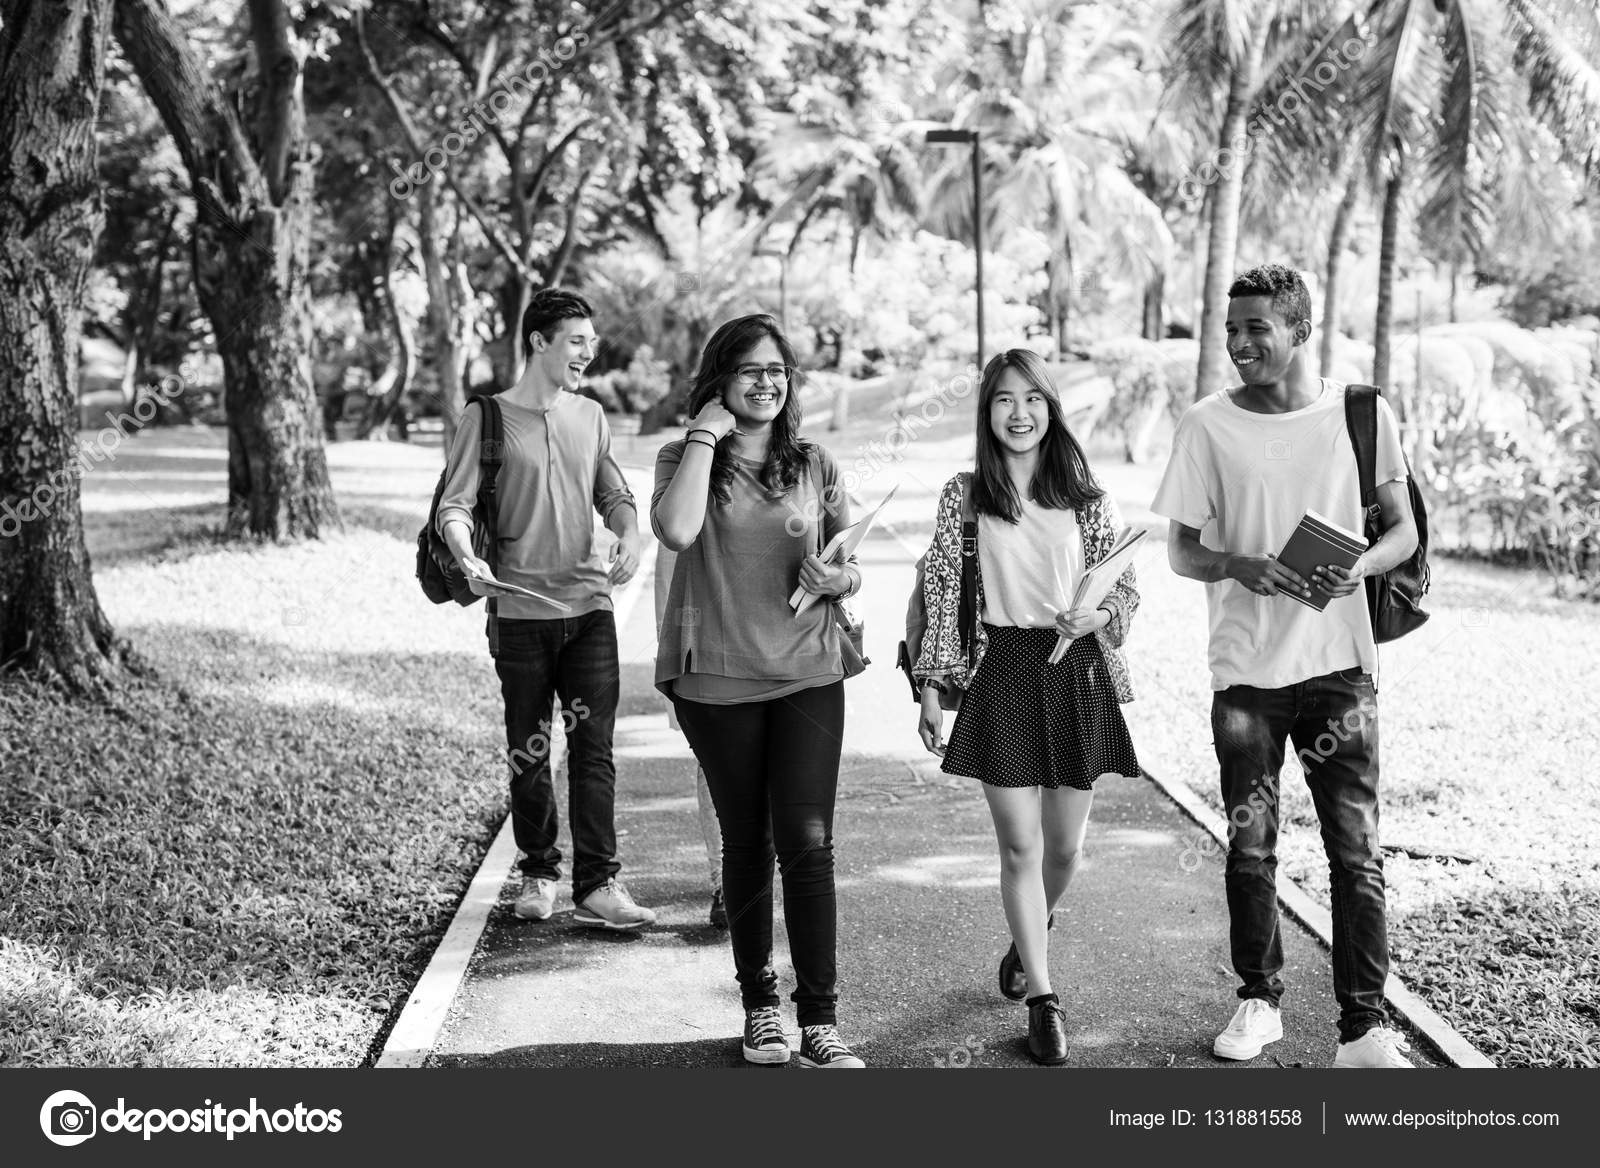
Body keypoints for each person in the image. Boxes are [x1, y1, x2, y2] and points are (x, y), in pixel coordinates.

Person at [1151, 263, 1419, 1068]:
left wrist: (1360, 565)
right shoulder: (1206, 425)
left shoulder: (1361, 413)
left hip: (1341, 668)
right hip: (1246, 676)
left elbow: (1402, 530)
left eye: (1256, 328)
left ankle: (1362, 1030)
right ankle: (1258, 1001)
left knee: (1355, 853)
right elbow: (1181, 551)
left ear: (1300, 330)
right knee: (1251, 849)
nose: (1239, 343)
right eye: (1231, 329)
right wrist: (1236, 564)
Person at [914, 349, 1142, 1067]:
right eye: (1004, 400)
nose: (1020, 413)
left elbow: (1125, 589)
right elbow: (943, 589)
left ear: (1051, 407)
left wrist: (1099, 616)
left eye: (1033, 399)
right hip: (1003, 669)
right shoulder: (964, 496)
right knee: (1019, 847)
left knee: (1064, 850)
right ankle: (1044, 1000)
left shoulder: (1087, 496)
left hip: (1075, 671)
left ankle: (1029, 933)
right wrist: (931, 686)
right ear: (987, 412)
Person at [652, 313, 866, 1069]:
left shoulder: (812, 461)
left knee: (809, 843)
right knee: (748, 842)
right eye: (750, 369)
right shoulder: (683, 456)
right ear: (720, 380)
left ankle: (821, 1020)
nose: (767, 382)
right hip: (717, 677)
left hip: (808, 669)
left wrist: (839, 580)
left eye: (778, 370)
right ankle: (759, 1009)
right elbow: (676, 532)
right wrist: (707, 436)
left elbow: (849, 561)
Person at [438, 288, 656, 931]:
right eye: (576, 341)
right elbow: (456, 505)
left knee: (594, 749)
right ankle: (539, 871)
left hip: (589, 609)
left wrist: (629, 534)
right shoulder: (486, 417)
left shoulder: (590, 415)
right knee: (529, 751)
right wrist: (467, 557)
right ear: (539, 341)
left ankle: (598, 884)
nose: (588, 353)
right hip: (519, 613)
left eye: (592, 342)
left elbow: (614, 494)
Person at [652, 542, 728, 927]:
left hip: (782, 643)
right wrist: (673, 654)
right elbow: (670, 576)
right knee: (713, 759)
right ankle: (725, 879)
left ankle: (754, 867)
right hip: (706, 645)